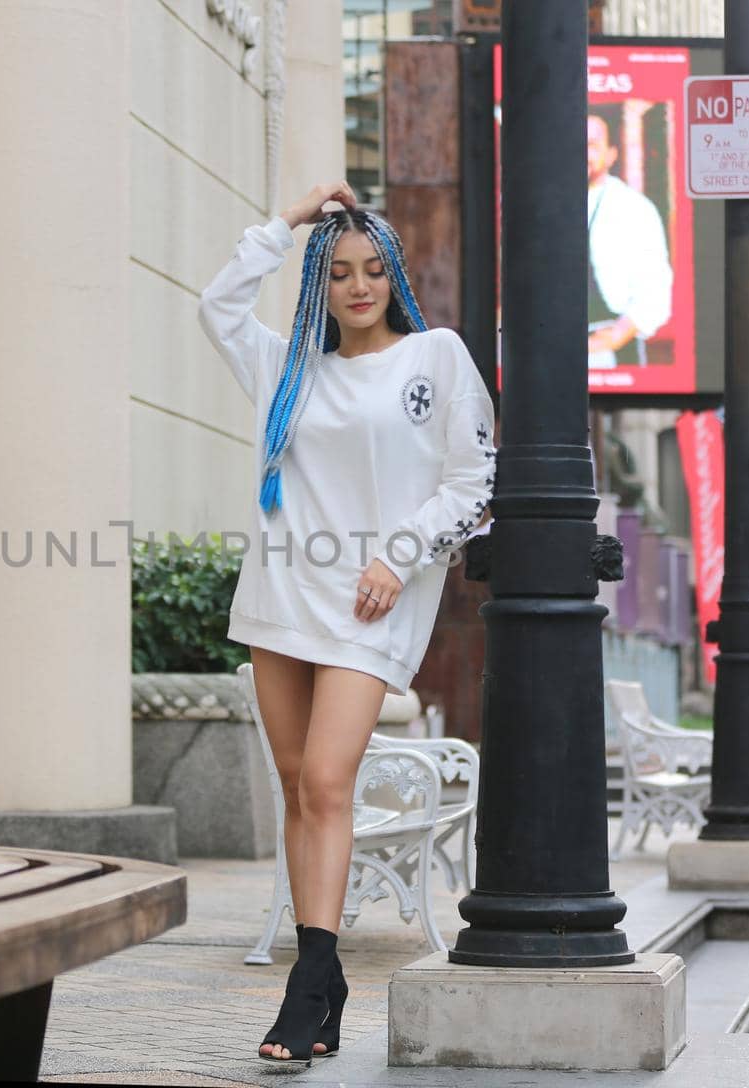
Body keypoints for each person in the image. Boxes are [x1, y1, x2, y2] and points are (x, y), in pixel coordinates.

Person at [198, 181, 496, 1065]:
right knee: (300, 790)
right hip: (282, 597)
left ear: (393, 275)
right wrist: (287, 223)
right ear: (318, 283)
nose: (357, 286)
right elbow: (214, 306)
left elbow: (473, 483)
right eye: (337, 272)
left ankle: (306, 980)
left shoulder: (436, 357)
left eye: (372, 270)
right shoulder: (290, 367)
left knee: (328, 781)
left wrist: (397, 556)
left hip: (371, 601)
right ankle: (324, 989)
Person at [586, 113, 673, 369]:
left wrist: (616, 336)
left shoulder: (633, 207)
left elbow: (655, 287)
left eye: (592, 145)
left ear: (611, 154)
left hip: (613, 356)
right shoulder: (543, 206)